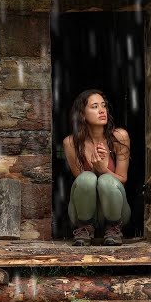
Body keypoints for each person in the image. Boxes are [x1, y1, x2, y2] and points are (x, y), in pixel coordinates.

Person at [61, 89, 131, 246]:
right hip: (84, 213)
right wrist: (93, 168)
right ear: (82, 115)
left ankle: (113, 229)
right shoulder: (71, 143)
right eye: (94, 106)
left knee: (106, 180)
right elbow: (82, 183)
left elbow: (123, 179)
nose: (101, 111)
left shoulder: (119, 137)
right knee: (87, 178)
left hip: (116, 213)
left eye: (103, 106)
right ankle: (85, 229)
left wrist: (103, 169)